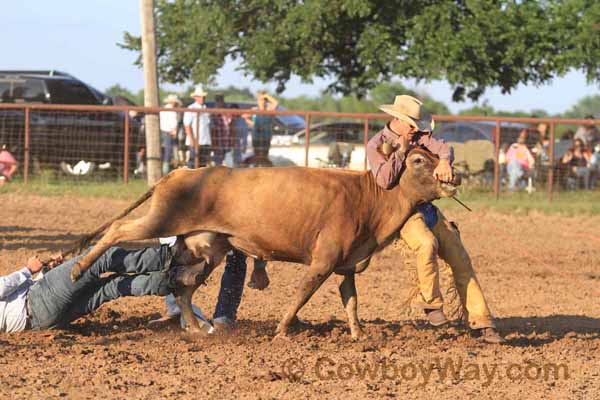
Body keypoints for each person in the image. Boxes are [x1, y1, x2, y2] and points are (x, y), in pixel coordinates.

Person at [367, 94, 504, 344]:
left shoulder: (422, 138)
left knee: (461, 259)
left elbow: (444, 148)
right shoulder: (377, 144)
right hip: (402, 214)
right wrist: (401, 152)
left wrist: (444, 162)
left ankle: (482, 321)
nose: (416, 129)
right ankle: (431, 305)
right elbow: (384, 181)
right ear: (397, 119)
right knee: (426, 244)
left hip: (428, 209)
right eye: (411, 123)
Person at [0, 244, 213, 333]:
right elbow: (3, 288)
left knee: (111, 288)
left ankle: (172, 280)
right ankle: (171, 256)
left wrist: (46, 273)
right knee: (101, 257)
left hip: (44, 322)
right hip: (37, 300)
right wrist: (28, 270)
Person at [244, 91, 278, 163]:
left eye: (264, 100)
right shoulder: (254, 110)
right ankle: (257, 167)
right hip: (256, 136)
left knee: (264, 155)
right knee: (257, 154)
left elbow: (275, 103)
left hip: (266, 136)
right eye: (260, 100)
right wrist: (254, 124)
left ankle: (264, 168)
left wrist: (266, 96)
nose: (262, 102)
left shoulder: (269, 109)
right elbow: (244, 116)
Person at [183, 86, 211, 168]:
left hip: (205, 140)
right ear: (195, 97)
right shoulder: (191, 108)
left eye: (203, 97)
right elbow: (187, 125)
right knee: (192, 162)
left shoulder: (206, 108)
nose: (202, 98)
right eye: (199, 96)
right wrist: (191, 139)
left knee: (203, 164)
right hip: (195, 140)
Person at [159, 94, 182, 175]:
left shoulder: (164, 109)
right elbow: (173, 122)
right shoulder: (172, 110)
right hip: (169, 132)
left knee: (166, 150)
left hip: (164, 131)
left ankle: (165, 168)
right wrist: (174, 131)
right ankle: (166, 170)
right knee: (169, 150)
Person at [210, 93, 234, 166]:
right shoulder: (213, 114)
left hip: (226, 141)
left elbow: (231, 126)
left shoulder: (226, 112)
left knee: (228, 163)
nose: (220, 102)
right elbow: (212, 130)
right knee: (218, 163)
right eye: (218, 100)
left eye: (221, 100)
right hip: (218, 141)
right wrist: (214, 144)